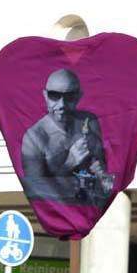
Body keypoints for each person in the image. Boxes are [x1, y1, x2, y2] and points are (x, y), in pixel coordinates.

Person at [20, 68, 113, 207]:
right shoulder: (33, 138)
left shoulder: (89, 121)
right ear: (45, 96)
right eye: (54, 96)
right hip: (60, 213)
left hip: (91, 207)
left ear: (78, 96)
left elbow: (104, 170)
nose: (62, 105)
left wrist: (100, 171)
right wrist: (69, 162)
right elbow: (35, 192)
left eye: (69, 97)